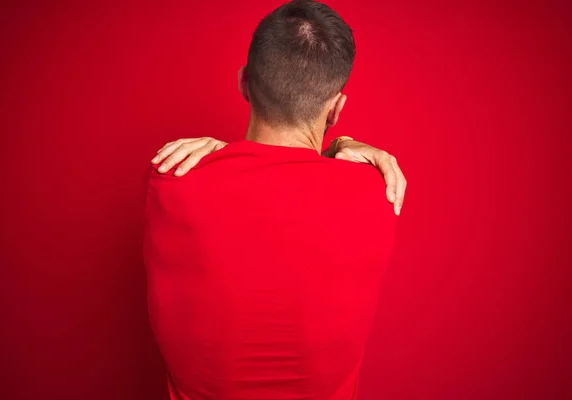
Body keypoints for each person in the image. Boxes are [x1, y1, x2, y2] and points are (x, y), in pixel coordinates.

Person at [143, 1, 406, 399]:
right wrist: (342, 143)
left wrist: (220, 153)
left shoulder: (171, 180)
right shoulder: (378, 191)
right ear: (337, 108)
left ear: (244, 82)